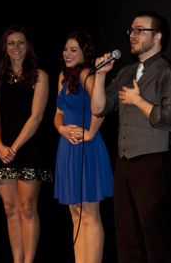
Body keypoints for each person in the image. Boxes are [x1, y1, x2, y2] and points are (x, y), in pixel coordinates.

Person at [91, 11, 171, 263]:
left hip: (153, 164)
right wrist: (101, 75)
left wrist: (138, 101)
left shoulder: (169, 73)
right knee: (126, 235)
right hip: (125, 164)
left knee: (154, 236)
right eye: (130, 31)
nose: (132, 36)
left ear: (157, 37)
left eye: (139, 30)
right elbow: (99, 107)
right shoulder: (125, 73)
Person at [0, 25, 51, 263]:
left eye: (21, 42)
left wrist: (14, 147)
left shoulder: (39, 76)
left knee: (27, 208)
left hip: (29, 149)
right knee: (10, 209)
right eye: (11, 43)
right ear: (4, 48)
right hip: (3, 150)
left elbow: (36, 117)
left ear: (29, 46)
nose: (16, 48)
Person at [54, 30, 114, 263]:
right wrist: (61, 129)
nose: (67, 54)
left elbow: (100, 106)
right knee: (75, 214)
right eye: (66, 49)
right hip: (67, 147)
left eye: (73, 50)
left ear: (84, 53)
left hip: (86, 149)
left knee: (90, 214)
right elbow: (58, 114)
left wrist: (91, 133)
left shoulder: (87, 73)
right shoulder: (63, 76)